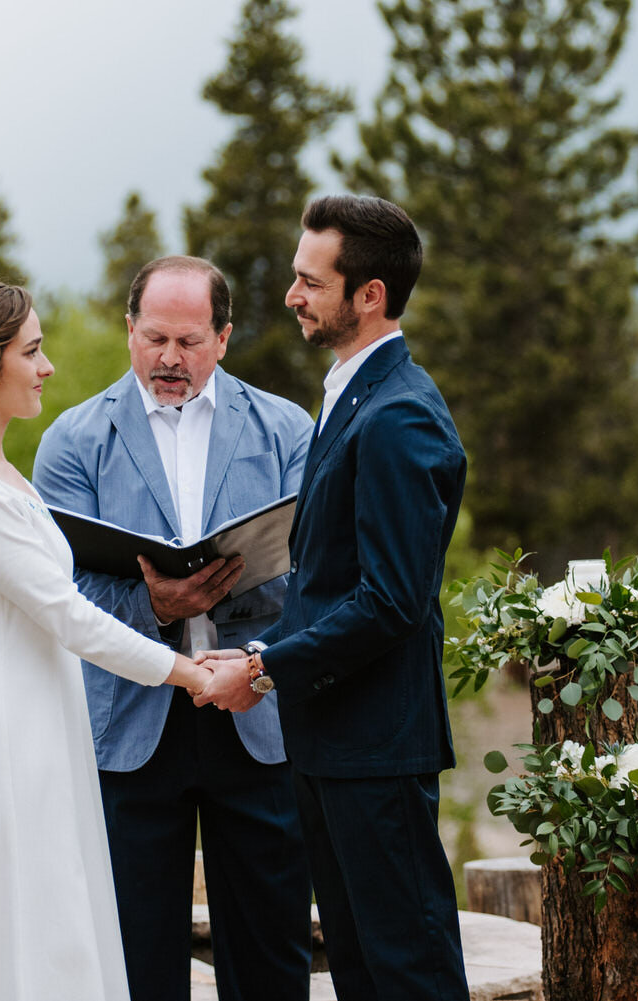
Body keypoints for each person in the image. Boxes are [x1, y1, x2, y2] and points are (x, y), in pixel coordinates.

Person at [0, 277, 214, 1001]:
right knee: (45, 938)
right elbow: (73, 619)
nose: (47, 368)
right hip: (19, 741)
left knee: (48, 929)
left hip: (30, 724)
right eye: (32, 351)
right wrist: (192, 674)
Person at [194, 195, 470, 1000]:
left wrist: (266, 665)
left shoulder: (400, 416)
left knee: (407, 973)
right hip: (332, 744)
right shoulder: (351, 395)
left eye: (311, 281)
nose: (292, 295)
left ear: (370, 295)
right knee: (358, 971)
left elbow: (391, 599)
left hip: (377, 749)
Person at [34, 256, 314, 1001]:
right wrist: (156, 607)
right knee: (132, 958)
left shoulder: (289, 429)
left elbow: (319, 576)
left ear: (224, 338)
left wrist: (257, 646)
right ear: (129, 331)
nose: (169, 358)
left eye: (189, 341)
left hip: (257, 713)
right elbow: (56, 592)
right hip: (129, 724)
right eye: (154, 336)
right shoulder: (72, 440)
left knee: (270, 953)